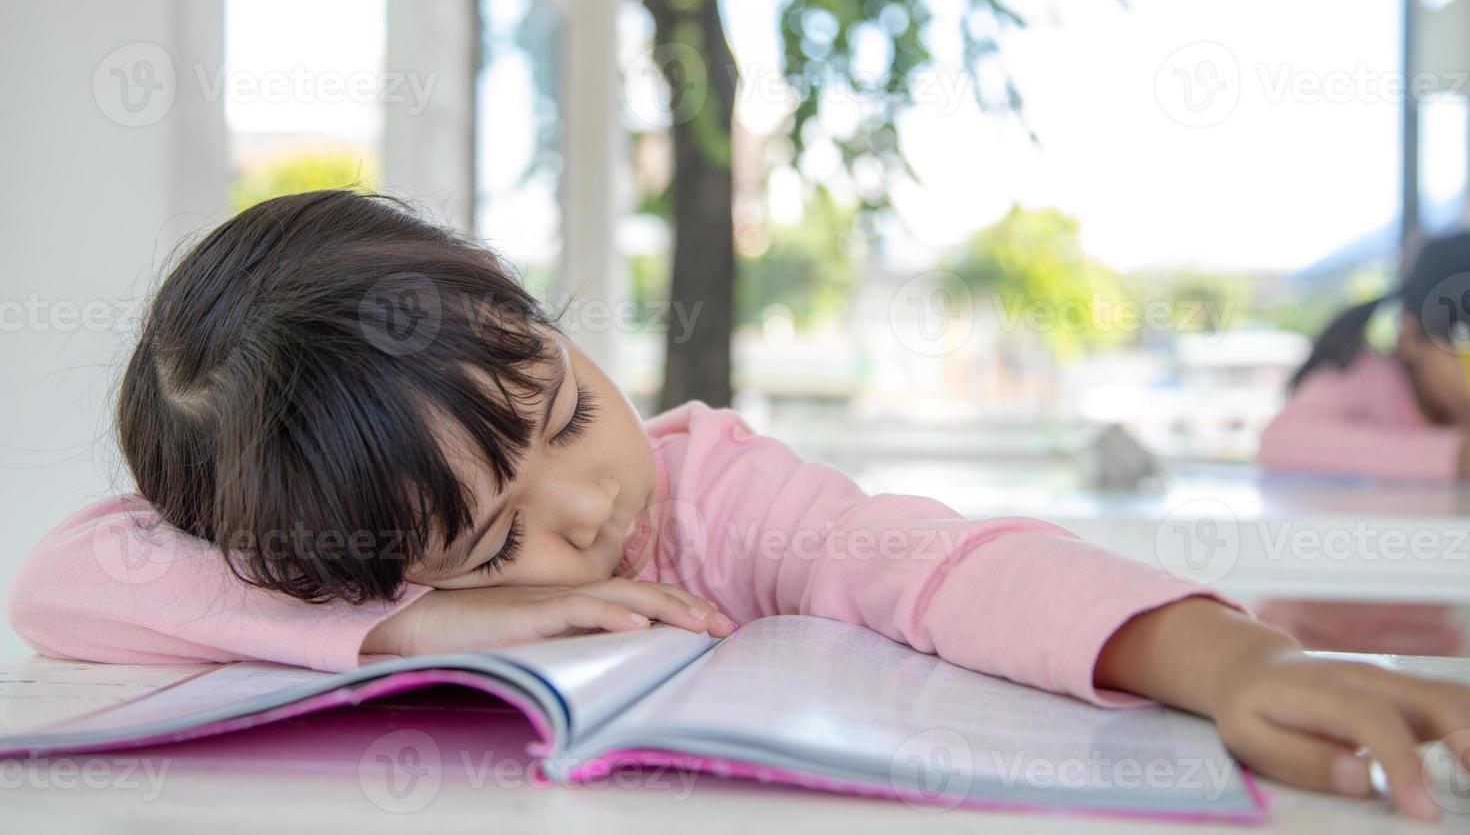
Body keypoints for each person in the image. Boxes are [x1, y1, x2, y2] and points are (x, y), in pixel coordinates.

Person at [9, 191, 1467, 821]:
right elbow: (70, 578)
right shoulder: (353, 555)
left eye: (566, 411)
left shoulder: (716, 488)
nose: (581, 511)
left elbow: (935, 566)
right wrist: (420, 619)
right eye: (490, 535)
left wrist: (1229, 663)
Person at [1258, 232, 1470, 657]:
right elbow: (1281, 441)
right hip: (1303, 641)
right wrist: (1452, 455)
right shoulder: (1365, 375)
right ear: (1411, 336)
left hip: (1423, 646)